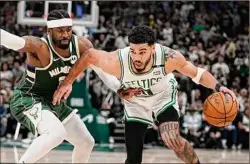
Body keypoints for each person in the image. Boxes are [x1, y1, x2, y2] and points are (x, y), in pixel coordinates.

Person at [53, 25, 237, 164]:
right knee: (133, 158)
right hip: (135, 103)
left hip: (162, 97)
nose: (137, 56)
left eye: (142, 51)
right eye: (133, 51)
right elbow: (90, 56)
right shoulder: (119, 59)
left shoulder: (168, 58)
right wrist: (66, 82)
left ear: (152, 48)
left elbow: (198, 74)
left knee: (170, 137)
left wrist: (219, 87)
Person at [0, 9, 128, 163]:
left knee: (86, 142)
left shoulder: (81, 45)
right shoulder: (40, 47)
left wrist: (118, 88)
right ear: (49, 31)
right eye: (60, 31)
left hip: (54, 102)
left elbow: (101, 71)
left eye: (68, 29)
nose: (65, 34)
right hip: (28, 98)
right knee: (56, 134)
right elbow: (11, 41)